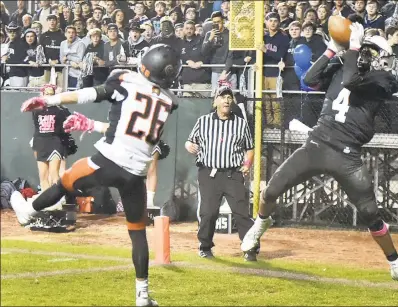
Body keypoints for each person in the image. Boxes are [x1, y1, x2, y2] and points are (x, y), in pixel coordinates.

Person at [240, 22, 398, 293]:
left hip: (347, 155)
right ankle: (260, 225)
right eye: (380, 56)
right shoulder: (346, 65)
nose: (386, 63)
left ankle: (397, 266)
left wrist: (351, 48)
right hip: (317, 143)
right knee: (270, 190)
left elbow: (352, 80)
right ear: (368, 53)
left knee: (371, 215)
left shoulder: (382, 80)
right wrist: (331, 50)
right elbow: (308, 80)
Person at [12, 44, 182, 307]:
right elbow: (130, 130)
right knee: (137, 234)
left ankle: (30, 210)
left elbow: (90, 93)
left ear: (147, 65)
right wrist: (93, 126)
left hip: (108, 161)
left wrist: (49, 100)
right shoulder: (169, 102)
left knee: (65, 181)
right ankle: (143, 296)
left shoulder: (128, 80)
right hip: (135, 174)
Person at [185, 86, 256, 261]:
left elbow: (250, 149)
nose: (226, 100)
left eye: (229, 97)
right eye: (222, 97)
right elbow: (189, 141)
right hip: (210, 174)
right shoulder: (203, 121)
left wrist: (247, 164)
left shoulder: (241, 123)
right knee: (208, 212)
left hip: (233, 174)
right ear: (215, 101)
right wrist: (190, 146)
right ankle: (205, 247)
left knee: (242, 213)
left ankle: (250, 248)